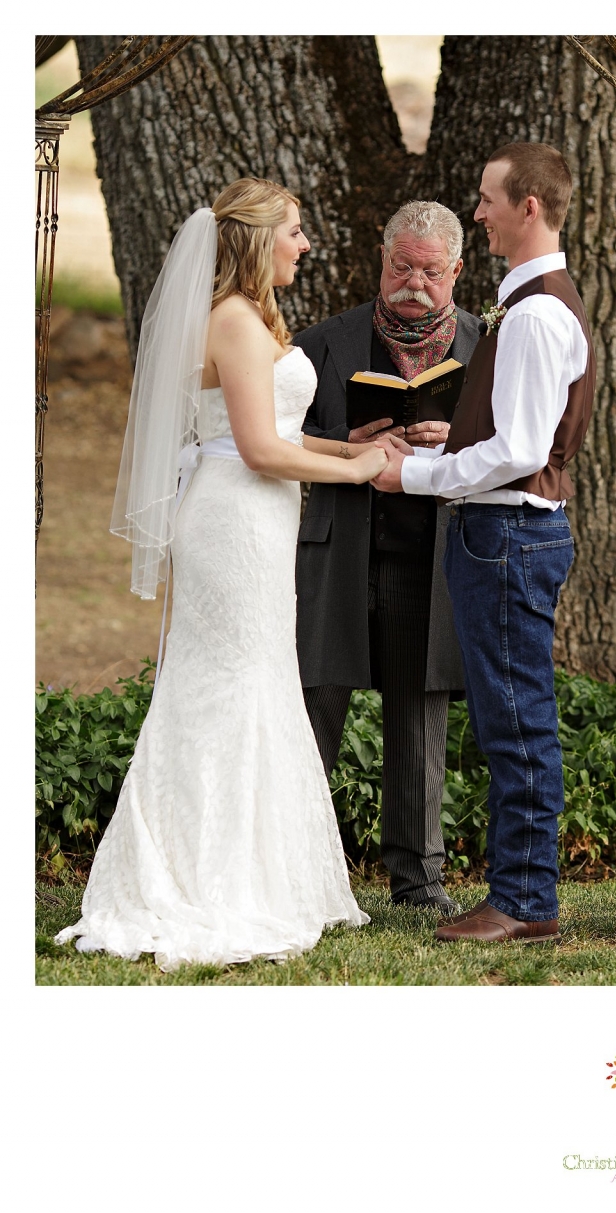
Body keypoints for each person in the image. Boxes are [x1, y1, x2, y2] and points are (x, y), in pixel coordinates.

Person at [55, 178, 388, 971]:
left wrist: (354, 445)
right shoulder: (234, 320)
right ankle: (207, 877)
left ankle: (258, 870)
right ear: (257, 239)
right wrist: (356, 471)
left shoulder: (250, 317)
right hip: (234, 519)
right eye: (294, 231)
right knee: (227, 680)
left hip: (257, 516)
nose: (305, 245)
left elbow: (274, 431)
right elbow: (262, 451)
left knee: (256, 675)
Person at [373, 144, 596, 943]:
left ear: (528, 206)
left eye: (488, 198)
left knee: (516, 720)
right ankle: (521, 892)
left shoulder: (533, 314)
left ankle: (525, 901)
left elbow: (522, 450)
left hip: (507, 536)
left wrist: (417, 476)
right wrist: (449, 445)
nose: (478, 212)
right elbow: (511, 435)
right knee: (511, 715)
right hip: (505, 533)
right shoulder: (532, 301)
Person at [293, 201, 483, 913]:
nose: (413, 284)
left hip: (432, 559)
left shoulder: (488, 346)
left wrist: (458, 443)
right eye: (401, 266)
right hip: (339, 550)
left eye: (430, 272)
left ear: (456, 270)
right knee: (312, 709)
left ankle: (419, 883)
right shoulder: (324, 342)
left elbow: (518, 444)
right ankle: (293, 873)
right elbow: (275, 439)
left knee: (417, 719)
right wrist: (348, 442)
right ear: (382, 256)